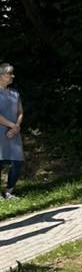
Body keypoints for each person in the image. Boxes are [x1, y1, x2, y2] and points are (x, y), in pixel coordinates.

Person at [0, 63, 24, 199]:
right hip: (1, 131)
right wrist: (12, 126)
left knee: (18, 162)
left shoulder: (15, 93)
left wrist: (16, 127)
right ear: (1, 75)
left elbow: (20, 112)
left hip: (14, 132)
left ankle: (8, 191)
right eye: (10, 73)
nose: (13, 76)